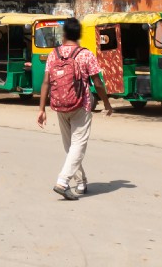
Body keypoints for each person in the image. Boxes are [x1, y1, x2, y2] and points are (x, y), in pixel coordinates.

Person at [37, 20, 113, 201]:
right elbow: (98, 83)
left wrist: (41, 109)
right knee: (78, 146)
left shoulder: (53, 54)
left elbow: (46, 82)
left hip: (60, 105)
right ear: (79, 35)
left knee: (70, 147)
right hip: (82, 105)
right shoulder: (86, 55)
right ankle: (63, 182)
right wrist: (107, 104)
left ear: (64, 35)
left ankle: (81, 182)